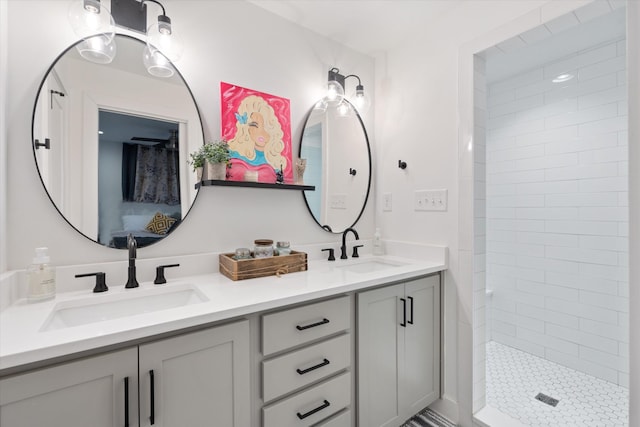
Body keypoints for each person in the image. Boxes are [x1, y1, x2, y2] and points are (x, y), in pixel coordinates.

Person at [227, 95, 288, 181]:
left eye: (266, 127)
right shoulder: (234, 154)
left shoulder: (275, 164)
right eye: (255, 126)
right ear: (246, 128)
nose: (261, 133)